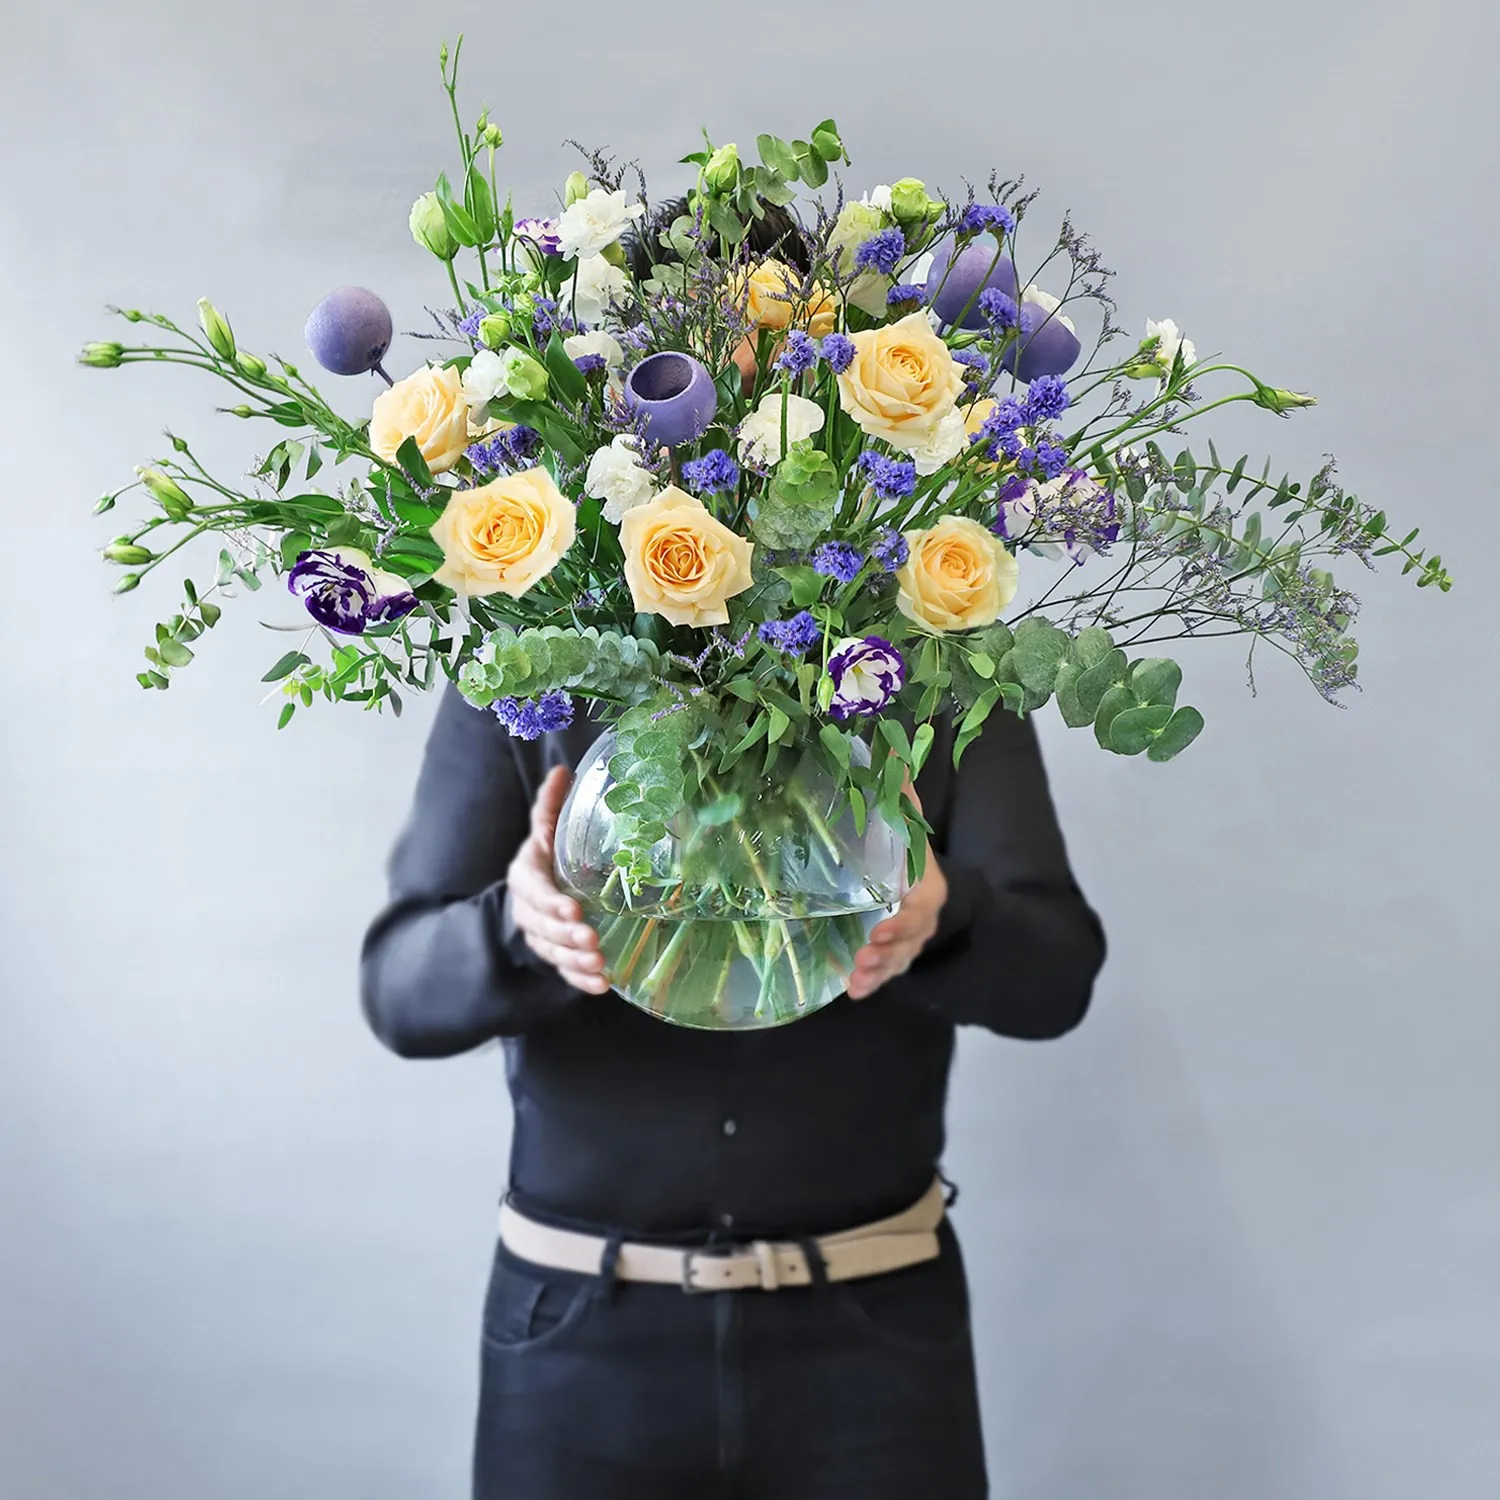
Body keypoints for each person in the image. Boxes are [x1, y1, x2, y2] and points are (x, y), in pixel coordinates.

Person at [360, 678, 1106, 1498]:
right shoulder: (530, 670)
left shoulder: (934, 667)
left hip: (873, 1352)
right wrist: (521, 924)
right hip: (578, 1351)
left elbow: (1055, 978)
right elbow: (400, 993)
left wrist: (947, 911)